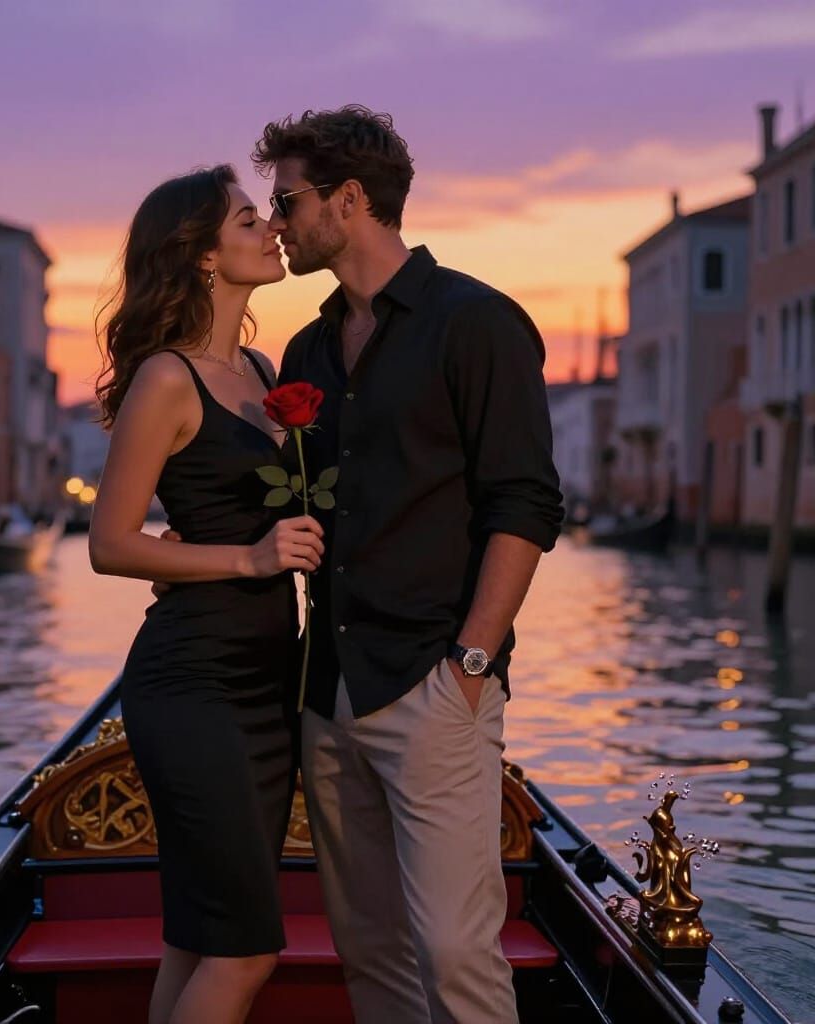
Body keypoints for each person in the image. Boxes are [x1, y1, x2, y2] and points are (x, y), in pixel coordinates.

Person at [255, 106, 565, 1023]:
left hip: (435, 682)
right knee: (372, 953)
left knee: (455, 953)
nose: (276, 220)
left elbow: (527, 504)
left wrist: (471, 664)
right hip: (330, 686)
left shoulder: (477, 323)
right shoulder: (309, 348)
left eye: (287, 200)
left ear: (349, 201)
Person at [88, 164, 324, 1024]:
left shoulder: (265, 369)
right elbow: (109, 544)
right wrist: (249, 560)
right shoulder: (165, 379)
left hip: (269, 685)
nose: (270, 229)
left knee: (194, 937)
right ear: (200, 257)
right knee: (245, 949)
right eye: (247, 219)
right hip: (192, 684)